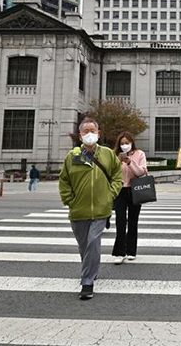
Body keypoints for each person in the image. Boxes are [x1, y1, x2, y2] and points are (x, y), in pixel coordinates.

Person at [59, 118, 123, 300]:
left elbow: (117, 176)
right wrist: (69, 200)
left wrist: (110, 195)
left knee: (93, 241)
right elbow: (64, 181)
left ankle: (87, 281)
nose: (89, 134)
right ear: (80, 136)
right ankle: (91, 269)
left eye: (92, 130)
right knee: (84, 245)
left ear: (98, 133)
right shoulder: (72, 156)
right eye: (85, 131)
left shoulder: (108, 154)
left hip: (101, 209)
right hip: (79, 210)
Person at [112, 131, 148, 265]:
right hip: (120, 191)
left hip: (135, 190)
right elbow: (110, 172)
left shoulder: (139, 154)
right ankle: (119, 252)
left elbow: (141, 172)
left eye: (127, 143)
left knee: (133, 221)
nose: (124, 146)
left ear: (132, 142)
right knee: (120, 221)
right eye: (122, 143)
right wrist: (118, 162)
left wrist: (129, 162)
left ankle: (131, 251)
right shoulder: (114, 155)